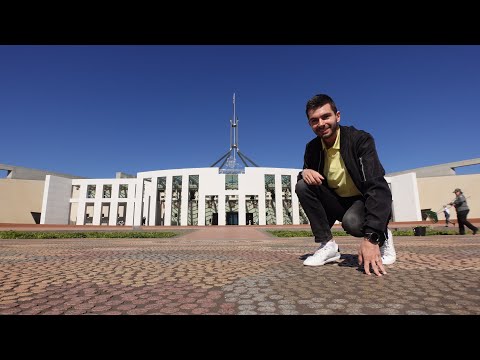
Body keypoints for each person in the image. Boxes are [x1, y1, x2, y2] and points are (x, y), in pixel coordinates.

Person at [295, 94, 396, 277]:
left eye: (326, 116)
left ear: (337, 116)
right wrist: (303, 172)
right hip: (336, 200)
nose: (321, 123)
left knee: (353, 223)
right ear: (310, 124)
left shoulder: (360, 140)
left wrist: (372, 237)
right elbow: (307, 181)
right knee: (302, 185)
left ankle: (383, 235)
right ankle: (328, 245)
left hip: (361, 202)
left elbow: (377, 187)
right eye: (314, 120)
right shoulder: (312, 148)